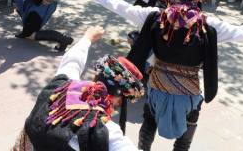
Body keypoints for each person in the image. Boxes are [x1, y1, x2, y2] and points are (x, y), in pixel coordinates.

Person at [81, 0, 243, 151]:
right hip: (188, 93)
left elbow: (122, 7)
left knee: (149, 123)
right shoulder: (208, 25)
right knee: (185, 136)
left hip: (157, 86)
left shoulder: (157, 16)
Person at [12, 26, 144, 151]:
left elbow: (72, 61)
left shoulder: (61, 83)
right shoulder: (105, 130)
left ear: (95, 76)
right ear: (119, 100)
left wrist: (88, 37)